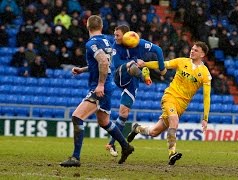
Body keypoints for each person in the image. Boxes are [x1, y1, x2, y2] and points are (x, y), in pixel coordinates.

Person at [60, 15, 134, 167]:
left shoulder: (91, 43)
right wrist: (83, 69)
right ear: (101, 26)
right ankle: (126, 147)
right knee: (104, 121)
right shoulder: (108, 41)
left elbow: (103, 61)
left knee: (77, 117)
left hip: (101, 87)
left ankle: (75, 158)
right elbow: (105, 63)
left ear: (87, 26)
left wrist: (100, 85)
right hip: (108, 85)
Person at [127, 41, 212, 165]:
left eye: (196, 50)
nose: (192, 51)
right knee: (174, 121)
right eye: (192, 49)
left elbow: (206, 96)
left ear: (202, 54)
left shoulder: (205, 73)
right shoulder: (182, 61)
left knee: (154, 132)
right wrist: (145, 64)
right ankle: (172, 153)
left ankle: (137, 129)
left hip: (181, 105)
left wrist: (205, 118)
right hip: (170, 96)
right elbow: (163, 64)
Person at [105, 25, 166, 157]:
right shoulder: (115, 47)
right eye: (115, 35)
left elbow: (158, 50)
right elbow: (117, 64)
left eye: (117, 35)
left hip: (132, 82)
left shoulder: (140, 43)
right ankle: (145, 76)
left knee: (124, 113)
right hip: (120, 75)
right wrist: (134, 61)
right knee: (131, 65)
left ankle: (111, 143)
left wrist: (162, 68)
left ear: (127, 35)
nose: (115, 38)